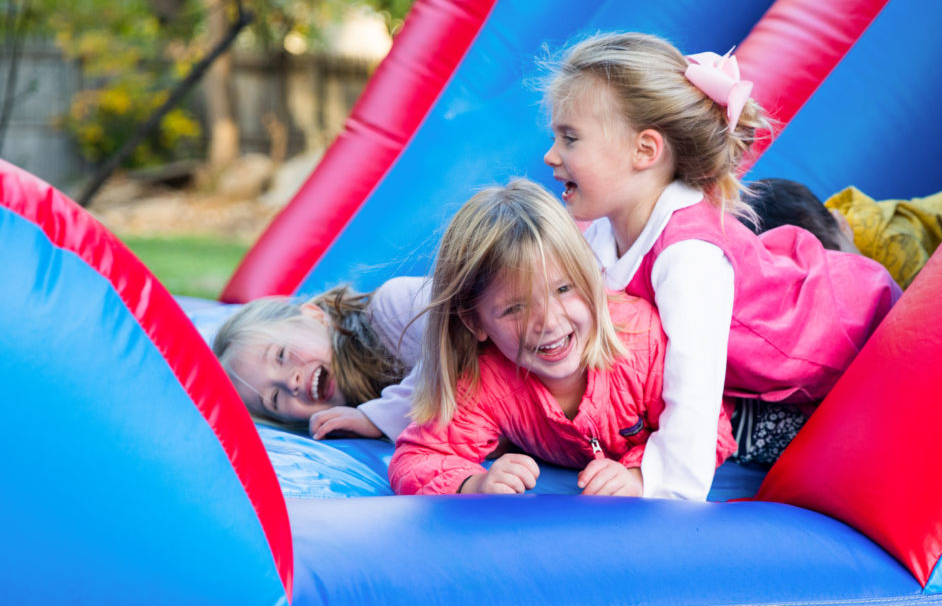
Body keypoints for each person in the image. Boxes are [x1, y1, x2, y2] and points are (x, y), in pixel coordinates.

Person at [541, 32, 902, 496]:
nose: (551, 155)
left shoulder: (688, 256)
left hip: (852, 333)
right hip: (785, 326)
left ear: (645, 151)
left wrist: (654, 482)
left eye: (569, 138)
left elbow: (693, 393)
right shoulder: (608, 226)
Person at [388, 178, 737, 496]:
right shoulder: (486, 380)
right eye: (515, 309)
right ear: (475, 322)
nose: (549, 322)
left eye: (564, 289)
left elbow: (707, 429)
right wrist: (472, 484)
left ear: (590, 278)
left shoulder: (640, 340)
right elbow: (418, 457)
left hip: (745, 403)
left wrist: (638, 473)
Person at [213, 276, 430, 441]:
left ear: (315, 317)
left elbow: (456, 348)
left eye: (281, 356)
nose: (291, 383)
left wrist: (379, 417)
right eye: (275, 398)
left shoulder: (395, 306)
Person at [742, 175, 942, 289]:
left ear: (843, 224)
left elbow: (929, 305)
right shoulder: (828, 236)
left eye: (845, 259)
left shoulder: (887, 244)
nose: (849, 273)